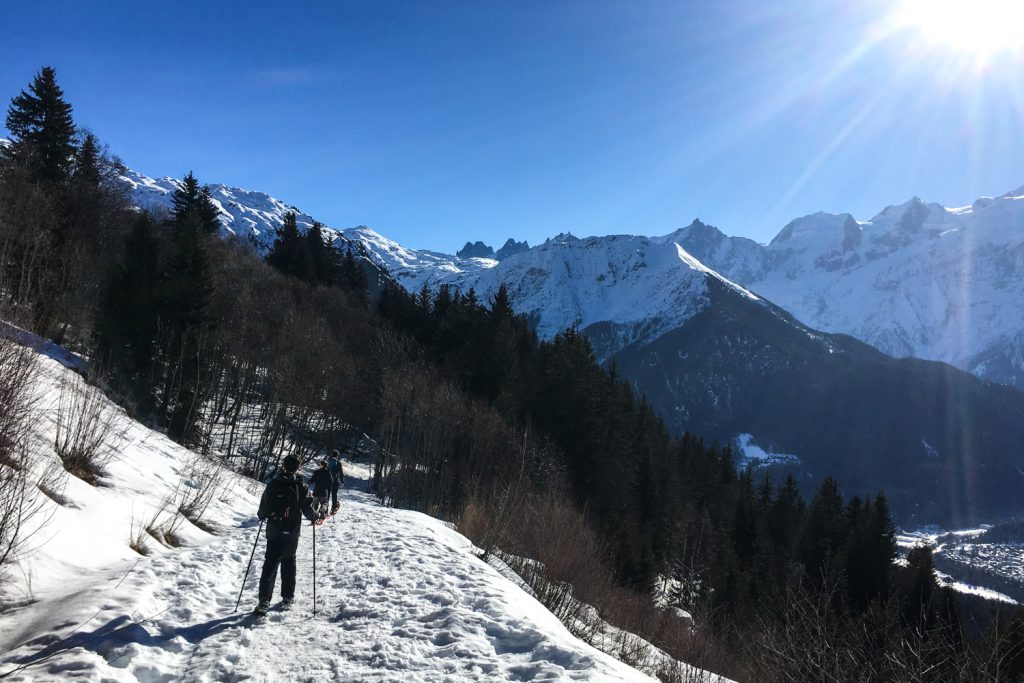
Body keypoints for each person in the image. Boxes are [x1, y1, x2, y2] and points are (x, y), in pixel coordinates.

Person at [255, 454, 323, 615]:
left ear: (283, 466)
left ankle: (264, 601)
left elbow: (263, 509)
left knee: (270, 562)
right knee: (289, 561)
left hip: (273, 530)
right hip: (292, 531)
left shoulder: (273, 484)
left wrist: (263, 515)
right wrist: (316, 516)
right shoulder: (301, 486)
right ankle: (287, 597)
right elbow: (308, 509)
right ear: (298, 467)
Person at [326, 449, 345, 514]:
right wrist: (342, 481)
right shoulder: (338, 463)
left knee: (327, 495)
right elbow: (341, 473)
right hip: (335, 481)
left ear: (332, 454)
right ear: (337, 455)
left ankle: (325, 509)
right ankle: (333, 508)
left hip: (327, 481)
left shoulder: (328, 462)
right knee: (334, 494)